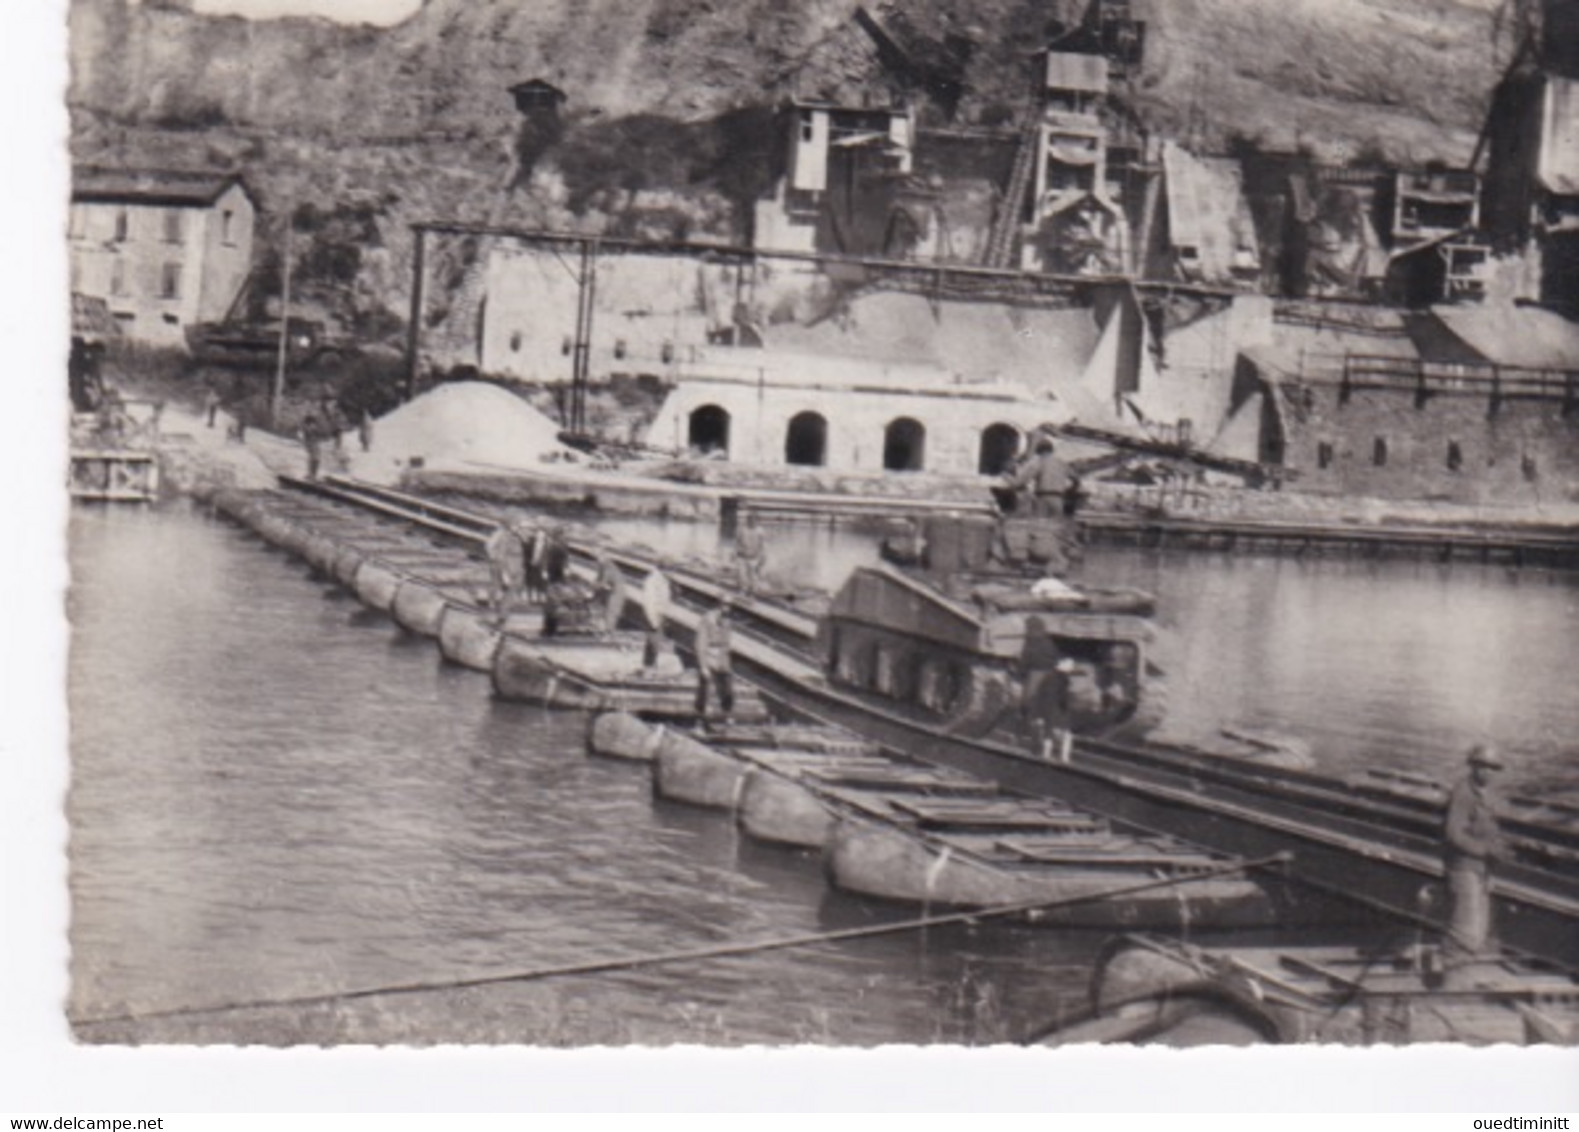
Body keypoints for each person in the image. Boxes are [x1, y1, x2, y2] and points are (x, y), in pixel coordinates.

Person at [1443, 743, 1506, 957]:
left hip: (1482, 870)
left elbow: (1491, 831)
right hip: (1463, 868)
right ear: (1473, 766)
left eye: (1493, 768)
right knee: (1464, 931)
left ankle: (1464, 968)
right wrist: (1484, 850)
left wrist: (1491, 868)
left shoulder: (1489, 795)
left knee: (1479, 931)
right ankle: (1451, 970)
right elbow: (1454, 834)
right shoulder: (1464, 793)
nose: (1488, 772)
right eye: (1483, 766)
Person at [1008, 435, 1075, 518]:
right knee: (1055, 528)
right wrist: (1070, 491)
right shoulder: (1061, 462)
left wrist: (1010, 479)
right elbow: (1076, 479)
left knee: (1042, 527)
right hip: (1059, 499)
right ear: (1052, 450)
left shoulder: (1038, 461)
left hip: (1043, 499)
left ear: (1038, 451)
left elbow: (1021, 482)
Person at [693, 602, 735, 725]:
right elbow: (701, 643)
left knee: (727, 688)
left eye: (729, 607)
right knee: (705, 687)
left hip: (721, 657)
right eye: (725, 606)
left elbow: (727, 643)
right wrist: (703, 665)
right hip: (708, 655)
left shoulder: (728, 621)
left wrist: (726, 661)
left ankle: (726, 712)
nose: (727, 609)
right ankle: (701, 717)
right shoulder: (708, 620)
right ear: (719, 605)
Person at [484, 522, 526, 619]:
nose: (518, 529)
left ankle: (502, 610)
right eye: (517, 527)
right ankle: (494, 605)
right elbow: (494, 550)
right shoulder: (503, 536)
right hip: (502, 565)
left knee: (508, 589)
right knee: (496, 583)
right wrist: (494, 559)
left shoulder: (517, 538)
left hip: (513, 568)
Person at [734, 511, 766, 595]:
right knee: (742, 575)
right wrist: (736, 553)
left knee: (753, 576)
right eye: (750, 519)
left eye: (754, 520)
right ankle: (742, 590)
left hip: (753, 557)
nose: (752, 521)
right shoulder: (742, 529)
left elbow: (762, 545)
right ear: (747, 520)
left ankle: (753, 592)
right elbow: (737, 542)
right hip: (742, 556)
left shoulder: (760, 531)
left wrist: (762, 557)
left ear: (757, 521)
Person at [301, 412, 323, 479]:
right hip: (312, 444)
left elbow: (316, 435)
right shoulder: (309, 427)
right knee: (314, 459)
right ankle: (312, 474)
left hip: (312, 444)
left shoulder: (308, 427)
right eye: (313, 423)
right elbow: (308, 436)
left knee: (314, 459)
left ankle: (312, 474)